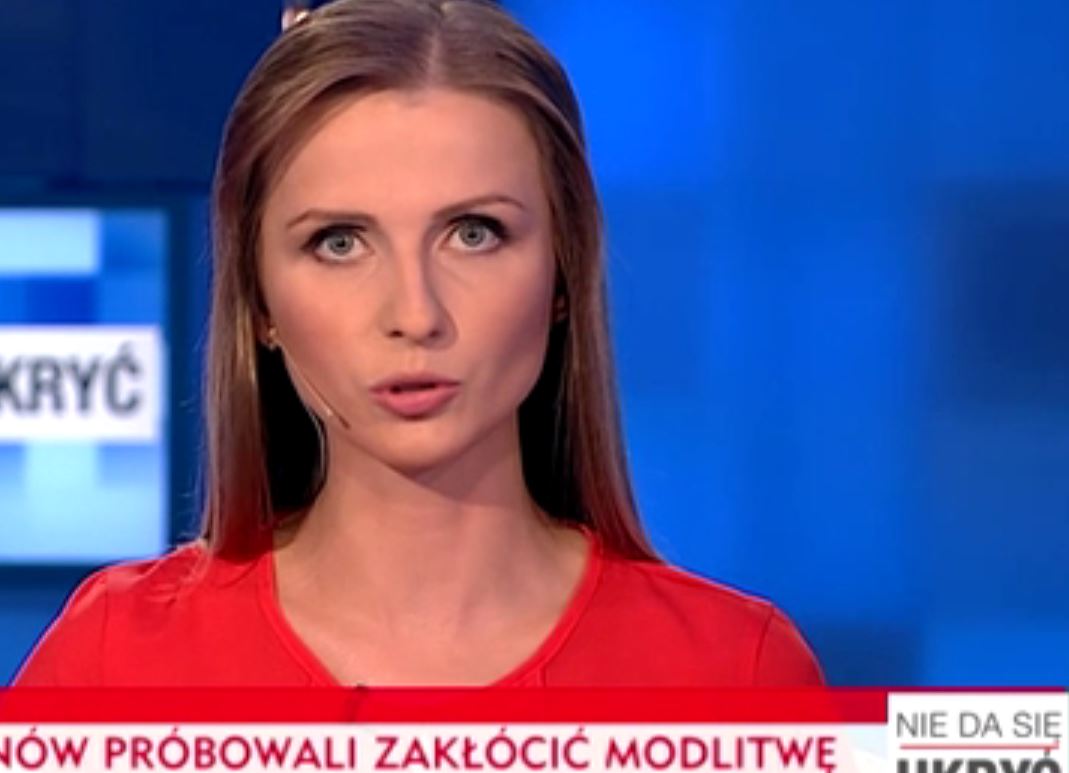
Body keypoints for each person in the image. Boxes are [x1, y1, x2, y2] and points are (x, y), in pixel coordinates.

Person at [14, 0, 822, 687]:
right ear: (259, 300)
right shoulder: (117, 661)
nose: (415, 312)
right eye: (338, 242)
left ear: (563, 272)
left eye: (473, 233)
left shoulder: (731, 672)